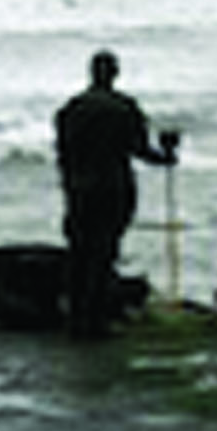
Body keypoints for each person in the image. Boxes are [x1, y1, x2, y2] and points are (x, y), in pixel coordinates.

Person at [54, 50, 176, 336]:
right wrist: (168, 155)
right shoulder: (124, 108)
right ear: (115, 74)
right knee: (104, 250)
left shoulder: (70, 109)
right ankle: (97, 319)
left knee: (79, 252)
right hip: (113, 187)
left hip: (78, 189)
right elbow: (141, 150)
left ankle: (77, 317)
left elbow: (63, 153)